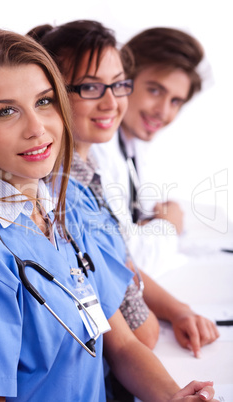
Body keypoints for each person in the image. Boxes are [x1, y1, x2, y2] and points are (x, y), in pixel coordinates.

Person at [0, 28, 219, 402]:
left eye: (44, 102)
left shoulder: (66, 205)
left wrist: (173, 397)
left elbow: (124, 346)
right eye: (7, 111)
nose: (36, 128)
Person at [92, 27, 205, 278]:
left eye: (176, 101)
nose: (163, 112)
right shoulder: (96, 149)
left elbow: (141, 221)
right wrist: (168, 225)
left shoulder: (134, 145)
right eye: (155, 91)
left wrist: (153, 225)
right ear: (123, 81)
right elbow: (128, 260)